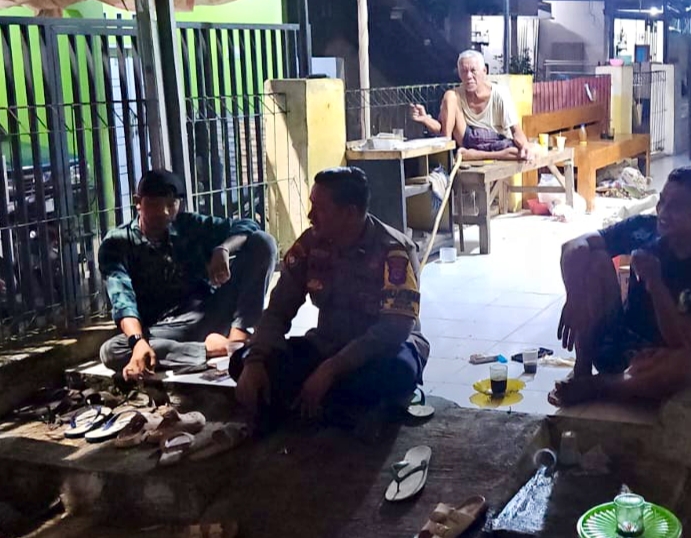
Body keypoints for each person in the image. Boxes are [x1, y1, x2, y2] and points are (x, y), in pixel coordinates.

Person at [231, 166, 430, 433]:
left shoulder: (394, 250)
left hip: (380, 352)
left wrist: (332, 369)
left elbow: (394, 329)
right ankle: (342, 408)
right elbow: (278, 309)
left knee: (397, 373)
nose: (310, 215)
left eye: (320, 208)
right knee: (242, 362)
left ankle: (328, 403)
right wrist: (255, 359)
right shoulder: (310, 244)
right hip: (326, 345)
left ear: (350, 213)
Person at [549, 166, 691, 406]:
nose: (663, 212)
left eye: (676, 206)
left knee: (686, 367)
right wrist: (574, 297)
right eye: (662, 201)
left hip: (655, 361)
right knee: (595, 260)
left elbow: (683, 342)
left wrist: (655, 283)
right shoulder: (643, 228)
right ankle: (582, 369)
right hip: (615, 340)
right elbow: (573, 245)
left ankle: (599, 386)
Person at [98, 169, 277, 381]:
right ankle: (213, 349)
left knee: (263, 242)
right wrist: (137, 342)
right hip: (165, 328)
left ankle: (239, 335)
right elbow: (122, 300)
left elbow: (248, 225)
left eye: (171, 204)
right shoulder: (116, 243)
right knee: (111, 351)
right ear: (138, 203)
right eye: (155, 204)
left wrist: (224, 248)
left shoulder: (188, 225)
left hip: (209, 311)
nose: (164, 212)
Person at [410, 49, 532, 161]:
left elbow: (516, 131)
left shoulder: (500, 94)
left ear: (484, 71)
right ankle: (447, 156)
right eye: (464, 71)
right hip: (469, 140)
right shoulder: (455, 96)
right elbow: (444, 130)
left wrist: (525, 146)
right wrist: (425, 119)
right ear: (459, 74)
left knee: (522, 152)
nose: (468, 76)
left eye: (473, 71)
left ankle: (473, 155)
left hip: (495, 142)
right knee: (449, 95)